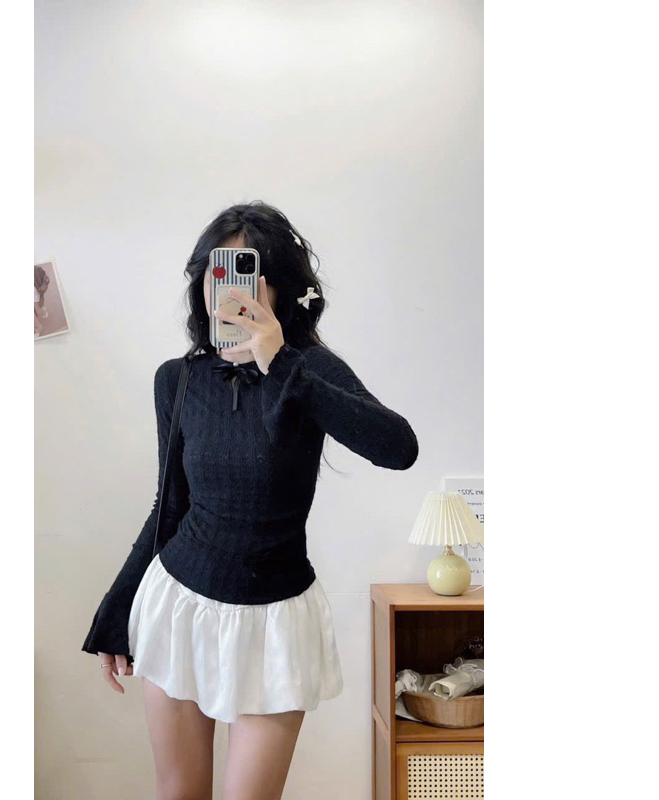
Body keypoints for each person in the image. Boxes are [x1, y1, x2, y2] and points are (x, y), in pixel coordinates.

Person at [81, 201, 419, 800]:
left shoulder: (308, 369)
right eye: (221, 272)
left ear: (277, 285)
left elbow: (398, 448)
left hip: (275, 622)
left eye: (248, 272)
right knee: (179, 793)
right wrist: (116, 610)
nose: (233, 290)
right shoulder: (178, 379)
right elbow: (169, 505)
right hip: (178, 605)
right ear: (204, 283)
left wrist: (281, 362)